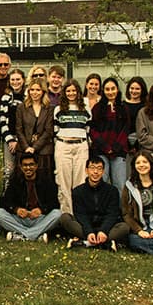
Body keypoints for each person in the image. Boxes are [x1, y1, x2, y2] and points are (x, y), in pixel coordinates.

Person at [62, 158, 129, 250]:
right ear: (86, 170)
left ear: (103, 171)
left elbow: (112, 214)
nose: (95, 172)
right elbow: (80, 214)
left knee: (124, 227)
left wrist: (103, 231)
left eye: (99, 168)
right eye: (92, 168)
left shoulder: (112, 190)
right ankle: (105, 243)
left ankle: (85, 243)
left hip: (106, 227)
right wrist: (89, 232)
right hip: (85, 227)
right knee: (65, 218)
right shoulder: (78, 191)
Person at [0, 153, 60, 242]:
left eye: (31, 165)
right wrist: (16, 209)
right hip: (21, 219)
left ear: (36, 166)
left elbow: (54, 202)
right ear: (21, 167)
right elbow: (5, 201)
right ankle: (35, 235)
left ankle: (22, 236)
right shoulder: (15, 181)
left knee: (57, 214)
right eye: (25, 165)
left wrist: (41, 210)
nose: (28, 168)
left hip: (39, 219)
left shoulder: (46, 181)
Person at [52, 79, 90, 216]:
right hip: (63, 145)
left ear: (78, 92)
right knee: (64, 183)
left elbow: (88, 129)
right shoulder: (58, 109)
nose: (71, 93)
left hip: (81, 146)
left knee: (80, 183)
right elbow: (55, 130)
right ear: (64, 92)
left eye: (74, 90)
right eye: (68, 91)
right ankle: (67, 216)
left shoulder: (85, 108)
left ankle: (80, 216)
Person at [89, 77, 129, 193]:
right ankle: (102, 211)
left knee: (120, 184)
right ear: (103, 91)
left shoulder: (123, 108)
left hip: (119, 151)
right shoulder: (97, 108)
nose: (110, 92)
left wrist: (116, 147)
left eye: (113, 89)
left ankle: (120, 211)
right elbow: (92, 130)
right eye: (107, 89)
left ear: (117, 90)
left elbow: (125, 129)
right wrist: (106, 147)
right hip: (101, 151)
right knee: (102, 183)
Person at [15, 78, 54, 175]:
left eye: (38, 90)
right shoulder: (22, 107)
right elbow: (19, 129)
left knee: (43, 180)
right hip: (24, 149)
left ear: (43, 91)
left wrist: (35, 147)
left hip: (43, 150)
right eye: (32, 90)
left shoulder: (49, 108)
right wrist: (27, 147)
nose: (34, 93)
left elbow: (48, 130)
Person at [0, 68, 26, 180]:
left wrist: (19, 140)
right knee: (9, 171)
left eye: (18, 79)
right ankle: (7, 195)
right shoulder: (6, 97)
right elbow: (2, 120)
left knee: (23, 169)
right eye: (13, 80)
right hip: (9, 140)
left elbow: (28, 122)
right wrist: (10, 140)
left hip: (24, 139)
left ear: (23, 80)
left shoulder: (28, 97)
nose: (16, 82)